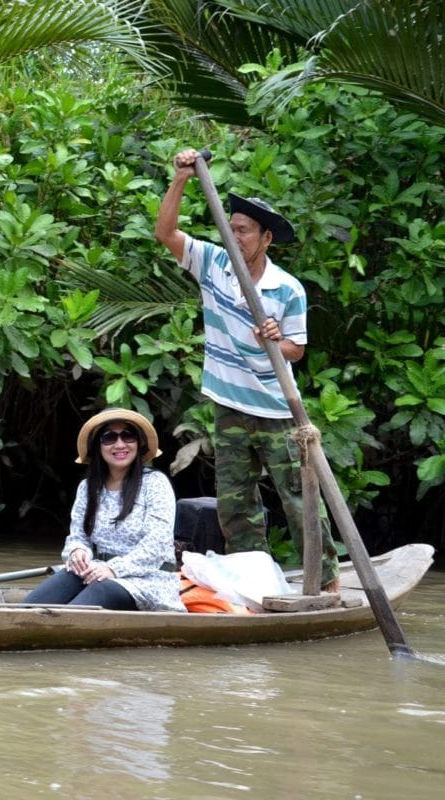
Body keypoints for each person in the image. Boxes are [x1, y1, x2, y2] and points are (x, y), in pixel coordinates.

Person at [154, 147, 340, 591]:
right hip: (227, 404)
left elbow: (296, 351)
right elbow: (165, 232)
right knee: (236, 504)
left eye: (244, 231)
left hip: (276, 409)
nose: (235, 237)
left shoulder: (287, 289)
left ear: (265, 239)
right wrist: (180, 177)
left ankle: (328, 580)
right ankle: (251, 581)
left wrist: (276, 338)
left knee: (298, 497)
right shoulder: (214, 264)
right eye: (231, 228)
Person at [25, 409, 183, 611]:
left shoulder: (155, 484)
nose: (119, 444)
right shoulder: (88, 487)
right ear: (98, 446)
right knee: (36, 601)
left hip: (147, 580)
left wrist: (113, 568)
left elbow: (157, 545)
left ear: (139, 443)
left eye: (128, 436)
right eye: (109, 438)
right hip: (97, 570)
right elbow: (78, 536)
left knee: (95, 594)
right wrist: (78, 552)